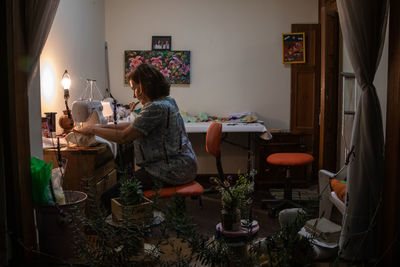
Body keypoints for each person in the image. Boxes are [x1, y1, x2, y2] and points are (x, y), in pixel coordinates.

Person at [75, 63, 197, 195]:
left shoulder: (156, 108)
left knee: (109, 196)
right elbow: (134, 125)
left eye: (134, 88)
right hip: (183, 165)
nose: (134, 95)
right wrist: (100, 126)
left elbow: (124, 137)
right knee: (125, 180)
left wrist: (93, 129)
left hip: (172, 170)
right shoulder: (167, 101)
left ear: (144, 86)